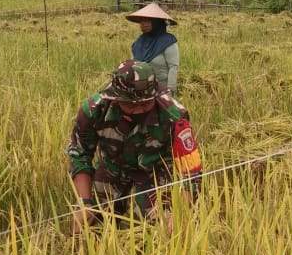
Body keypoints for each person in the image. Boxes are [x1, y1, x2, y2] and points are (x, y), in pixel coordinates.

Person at [67, 59, 202, 233]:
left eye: (145, 104)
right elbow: (79, 154)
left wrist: (179, 213)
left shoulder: (174, 116)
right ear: (115, 98)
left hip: (154, 174)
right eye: (130, 105)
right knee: (95, 226)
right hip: (111, 170)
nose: (138, 110)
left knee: (155, 229)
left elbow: (190, 172)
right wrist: (84, 203)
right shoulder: (94, 110)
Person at [127, 3, 180, 94]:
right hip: (141, 90)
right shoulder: (138, 42)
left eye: (147, 21)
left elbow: (173, 67)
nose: (143, 24)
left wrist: (170, 90)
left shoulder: (167, 41)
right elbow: (133, 66)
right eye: (141, 21)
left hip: (161, 89)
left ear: (157, 22)